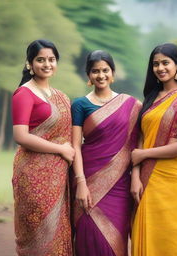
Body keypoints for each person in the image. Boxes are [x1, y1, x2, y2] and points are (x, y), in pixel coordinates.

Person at [130, 43, 177, 256]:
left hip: (175, 178)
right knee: (148, 232)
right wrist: (135, 176)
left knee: (173, 237)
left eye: (165, 63)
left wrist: (145, 154)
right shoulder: (151, 98)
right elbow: (140, 138)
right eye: (156, 64)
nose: (160, 68)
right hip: (147, 177)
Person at [71, 50, 142, 256]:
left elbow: (137, 144)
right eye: (95, 71)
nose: (100, 75)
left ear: (112, 73)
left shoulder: (131, 105)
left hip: (119, 185)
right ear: (88, 75)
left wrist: (136, 176)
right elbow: (76, 145)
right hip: (88, 181)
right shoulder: (80, 104)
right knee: (89, 236)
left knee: (115, 243)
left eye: (105, 70)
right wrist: (81, 183)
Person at [11, 39, 75, 256]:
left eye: (51, 59)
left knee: (58, 230)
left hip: (58, 176)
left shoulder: (61, 96)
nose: (47, 64)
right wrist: (61, 150)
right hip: (33, 175)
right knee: (38, 233)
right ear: (30, 63)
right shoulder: (24, 93)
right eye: (40, 60)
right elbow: (20, 136)